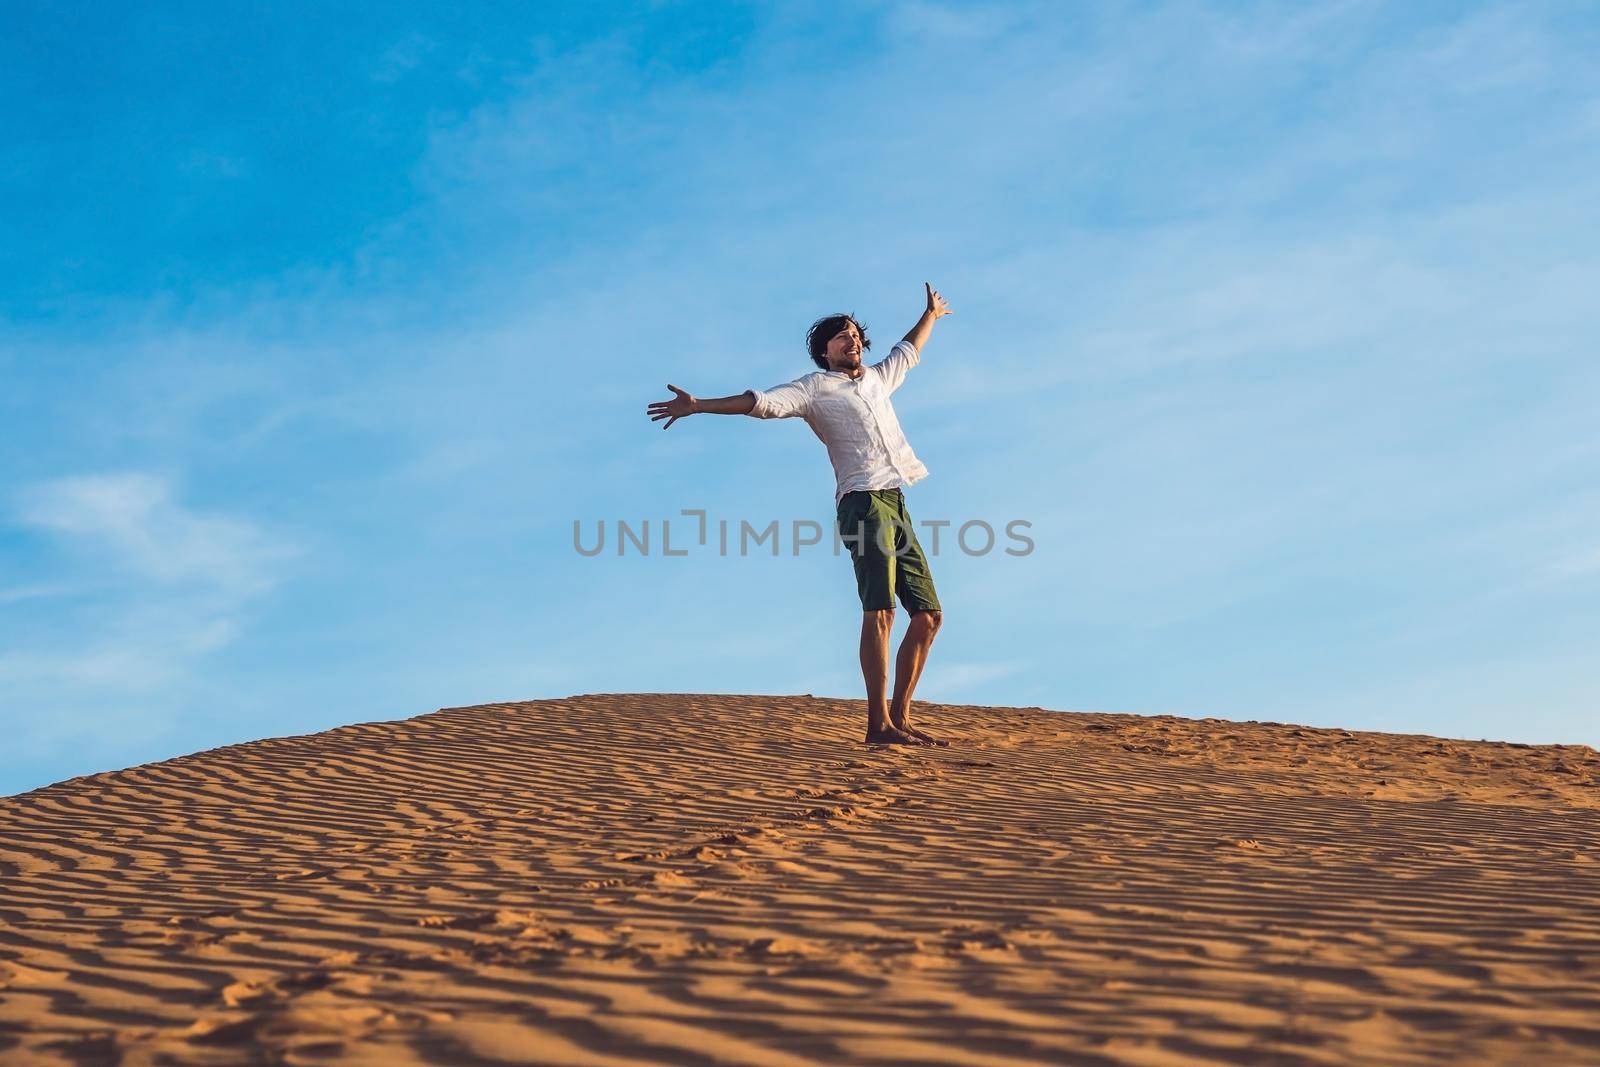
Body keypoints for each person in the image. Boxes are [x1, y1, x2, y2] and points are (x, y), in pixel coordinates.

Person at [647, 283, 953, 746]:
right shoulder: (814, 388)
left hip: (896, 499)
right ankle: (878, 727)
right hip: (862, 502)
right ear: (825, 353)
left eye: (854, 334)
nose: (851, 340)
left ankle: (900, 718)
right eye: (840, 337)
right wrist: (700, 405)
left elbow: (907, 350)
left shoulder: (876, 378)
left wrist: (929, 314)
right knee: (881, 610)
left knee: (928, 615)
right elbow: (761, 403)